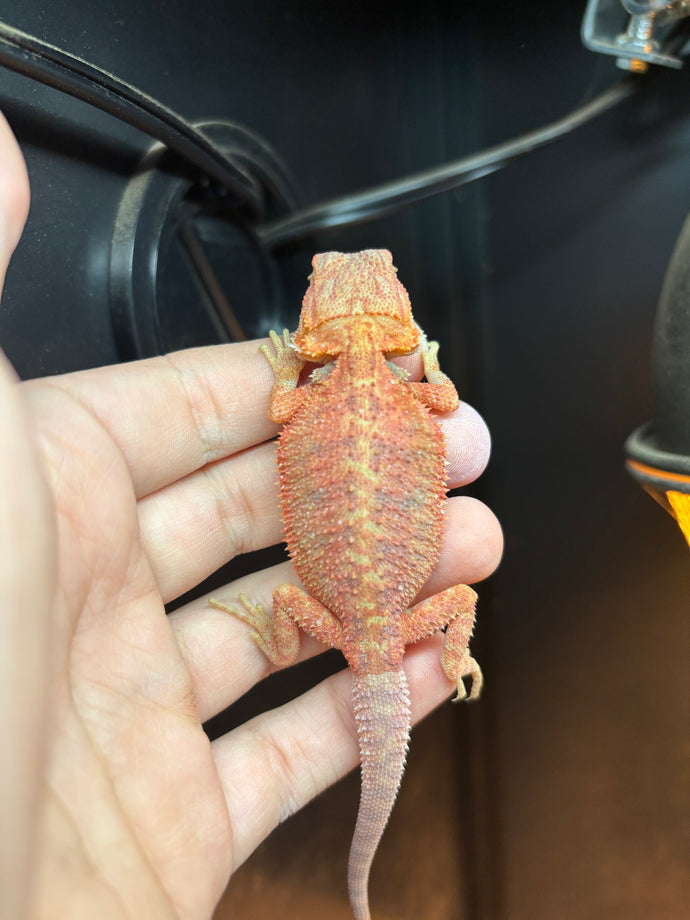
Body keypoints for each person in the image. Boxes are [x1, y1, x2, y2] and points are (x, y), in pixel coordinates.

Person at [0, 111, 503, 920]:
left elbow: (278, 406)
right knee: (461, 591)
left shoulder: (302, 395)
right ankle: (453, 660)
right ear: (398, 312)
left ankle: (365, 867)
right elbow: (443, 399)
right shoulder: (415, 390)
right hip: (365, 608)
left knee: (443, 592)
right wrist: (433, 360)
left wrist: (286, 370)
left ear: (316, 316)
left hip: (352, 609)